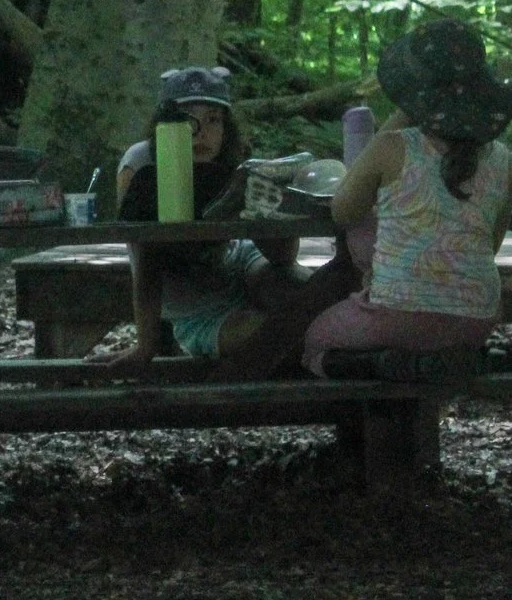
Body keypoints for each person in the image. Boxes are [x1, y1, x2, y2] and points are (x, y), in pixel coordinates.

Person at [97, 65, 352, 377]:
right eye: (187, 119)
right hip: (197, 308)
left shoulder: (234, 162)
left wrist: (261, 206)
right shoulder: (143, 163)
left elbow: (282, 257)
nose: (201, 132)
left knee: (300, 291)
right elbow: (144, 259)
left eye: (213, 120)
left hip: (242, 263)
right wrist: (145, 346)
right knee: (272, 331)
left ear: (226, 127)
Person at [304, 19, 512, 382]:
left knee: (314, 341)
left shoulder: (393, 147)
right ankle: (465, 359)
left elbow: (343, 209)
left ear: (411, 95)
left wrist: (401, 115)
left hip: (397, 317)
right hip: (477, 317)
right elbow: (490, 242)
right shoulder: (503, 159)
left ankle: (379, 363)